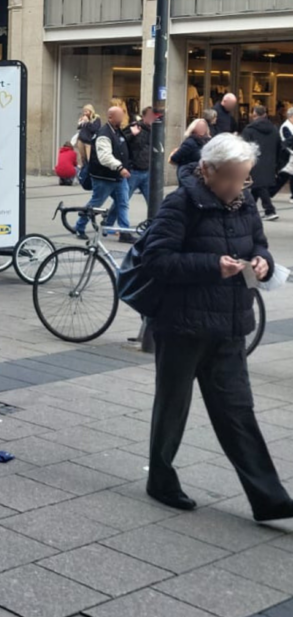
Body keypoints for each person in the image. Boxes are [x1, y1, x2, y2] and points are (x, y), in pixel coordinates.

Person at [142, 133, 293, 521]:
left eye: (242, 178)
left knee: (238, 411)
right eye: (229, 178)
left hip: (230, 326)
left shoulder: (243, 204)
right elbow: (156, 260)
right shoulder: (181, 203)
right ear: (207, 170)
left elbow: (258, 245)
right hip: (182, 326)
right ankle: (160, 479)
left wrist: (263, 263)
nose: (236, 186)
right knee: (173, 407)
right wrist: (212, 266)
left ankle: (270, 499)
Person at [74, 106, 131, 239]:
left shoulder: (117, 131)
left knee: (122, 203)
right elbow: (105, 157)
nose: (122, 119)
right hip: (103, 177)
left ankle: (125, 233)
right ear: (110, 117)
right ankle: (79, 227)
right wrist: (120, 168)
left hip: (117, 177)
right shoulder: (104, 134)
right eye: (119, 117)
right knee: (95, 203)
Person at [242, 104, 281, 221]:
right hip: (270, 161)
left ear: (254, 114)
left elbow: (244, 146)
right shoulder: (274, 129)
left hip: (255, 160)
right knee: (258, 186)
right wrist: (276, 162)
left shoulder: (249, 130)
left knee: (260, 186)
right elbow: (279, 146)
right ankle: (249, 210)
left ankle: (270, 210)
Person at [125, 106, 154, 206]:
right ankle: (109, 220)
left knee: (153, 202)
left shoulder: (155, 131)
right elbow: (121, 141)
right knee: (123, 201)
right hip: (134, 171)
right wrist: (132, 135)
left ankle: (156, 221)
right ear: (144, 117)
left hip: (147, 171)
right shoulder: (135, 127)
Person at [271, 107, 293, 201]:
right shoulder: (286, 126)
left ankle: (270, 192)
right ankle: (270, 192)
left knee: (287, 175)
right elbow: (287, 140)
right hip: (288, 154)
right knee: (284, 175)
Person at [76, 105, 101, 171]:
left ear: (91, 111)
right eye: (84, 111)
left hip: (89, 142)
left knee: (89, 158)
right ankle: (83, 172)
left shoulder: (96, 118)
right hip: (81, 140)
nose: (85, 113)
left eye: (86, 111)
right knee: (82, 158)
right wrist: (80, 123)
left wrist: (88, 122)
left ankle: (89, 172)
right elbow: (79, 128)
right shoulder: (83, 118)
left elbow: (95, 129)